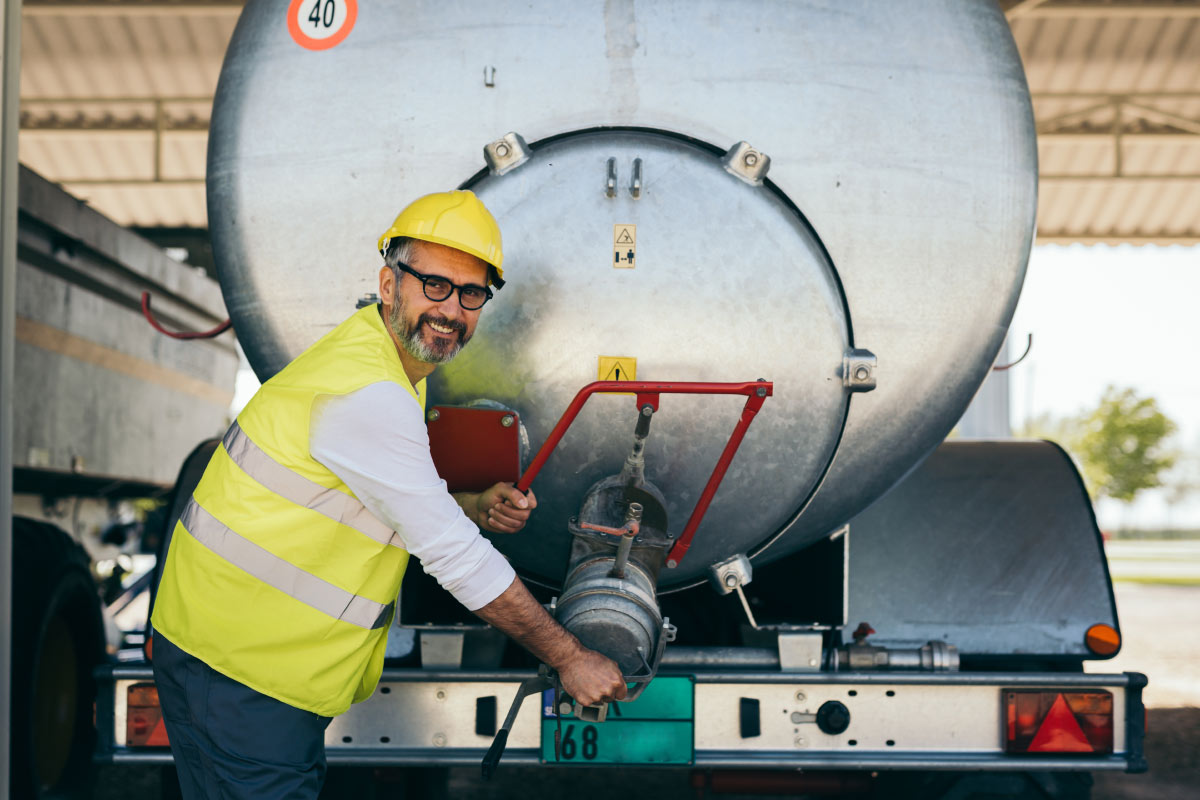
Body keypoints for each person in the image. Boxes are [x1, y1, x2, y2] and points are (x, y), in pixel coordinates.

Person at [150, 190, 626, 799]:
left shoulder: (385, 359)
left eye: (470, 293)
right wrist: (568, 655)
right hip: (246, 677)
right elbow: (458, 559)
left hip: (224, 653)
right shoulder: (370, 393)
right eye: (433, 284)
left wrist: (471, 505)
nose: (451, 309)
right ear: (388, 281)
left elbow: (370, 497)